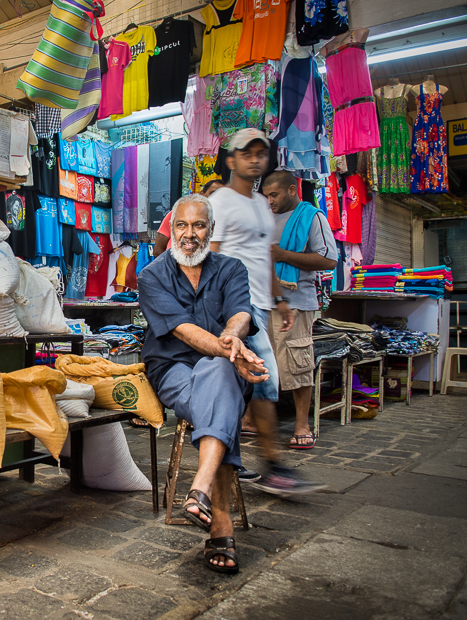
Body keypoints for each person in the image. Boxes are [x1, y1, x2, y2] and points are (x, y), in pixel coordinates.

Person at [139, 194, 269, 573]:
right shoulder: (152, 276)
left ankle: (200, 491)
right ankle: (220, 518)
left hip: (225, 369)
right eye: (181, 225)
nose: (189, 234)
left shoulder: (231, 268)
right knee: (222, 380)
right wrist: (235, 353)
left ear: (211, 231)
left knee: (218, 375)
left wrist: (231, 338)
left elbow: (241, 312)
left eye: (198, 226)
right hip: (174, 370)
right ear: (171, 229)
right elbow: (184, 331)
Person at [210, 128, 323, 495]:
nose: (255, 159)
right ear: (232, 160)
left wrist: (281, 299)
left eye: (261, 153)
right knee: (263, 383)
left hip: (261, 303)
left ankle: (237, 463)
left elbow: (264, 257)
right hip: (235, 305)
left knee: (247, 388)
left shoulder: (261, 203)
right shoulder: (221, 202)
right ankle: (273, 466)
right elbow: (210, 256)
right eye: (247, 153)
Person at [263, 171, 338, 449]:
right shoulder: (263, 218)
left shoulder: (312, 216)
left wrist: (284, 255)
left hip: (296, 302)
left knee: (297, 362)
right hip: (262, 302)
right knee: (259, 362)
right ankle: (251, 419)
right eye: (267, 195)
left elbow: (329, 259)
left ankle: (302, 424)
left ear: (292, 190)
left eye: (275, 195)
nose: (269, 201)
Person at [153, 179, 226, 255]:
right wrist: (168, 265)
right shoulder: (178, 212)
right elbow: (158, 250)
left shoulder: (224, 220)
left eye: (199, 225)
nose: (189, 234)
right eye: (213, 193)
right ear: (202, 194)